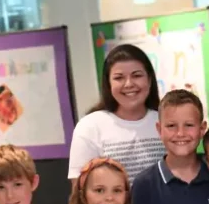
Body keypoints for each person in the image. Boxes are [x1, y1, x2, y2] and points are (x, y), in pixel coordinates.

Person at [68, 43, 165, 182]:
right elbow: (80, 190)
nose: (129, 84)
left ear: (149, 80)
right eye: (119, 78)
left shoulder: (167, 122)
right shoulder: (90, 126)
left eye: (137, 75)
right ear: (108, 84)